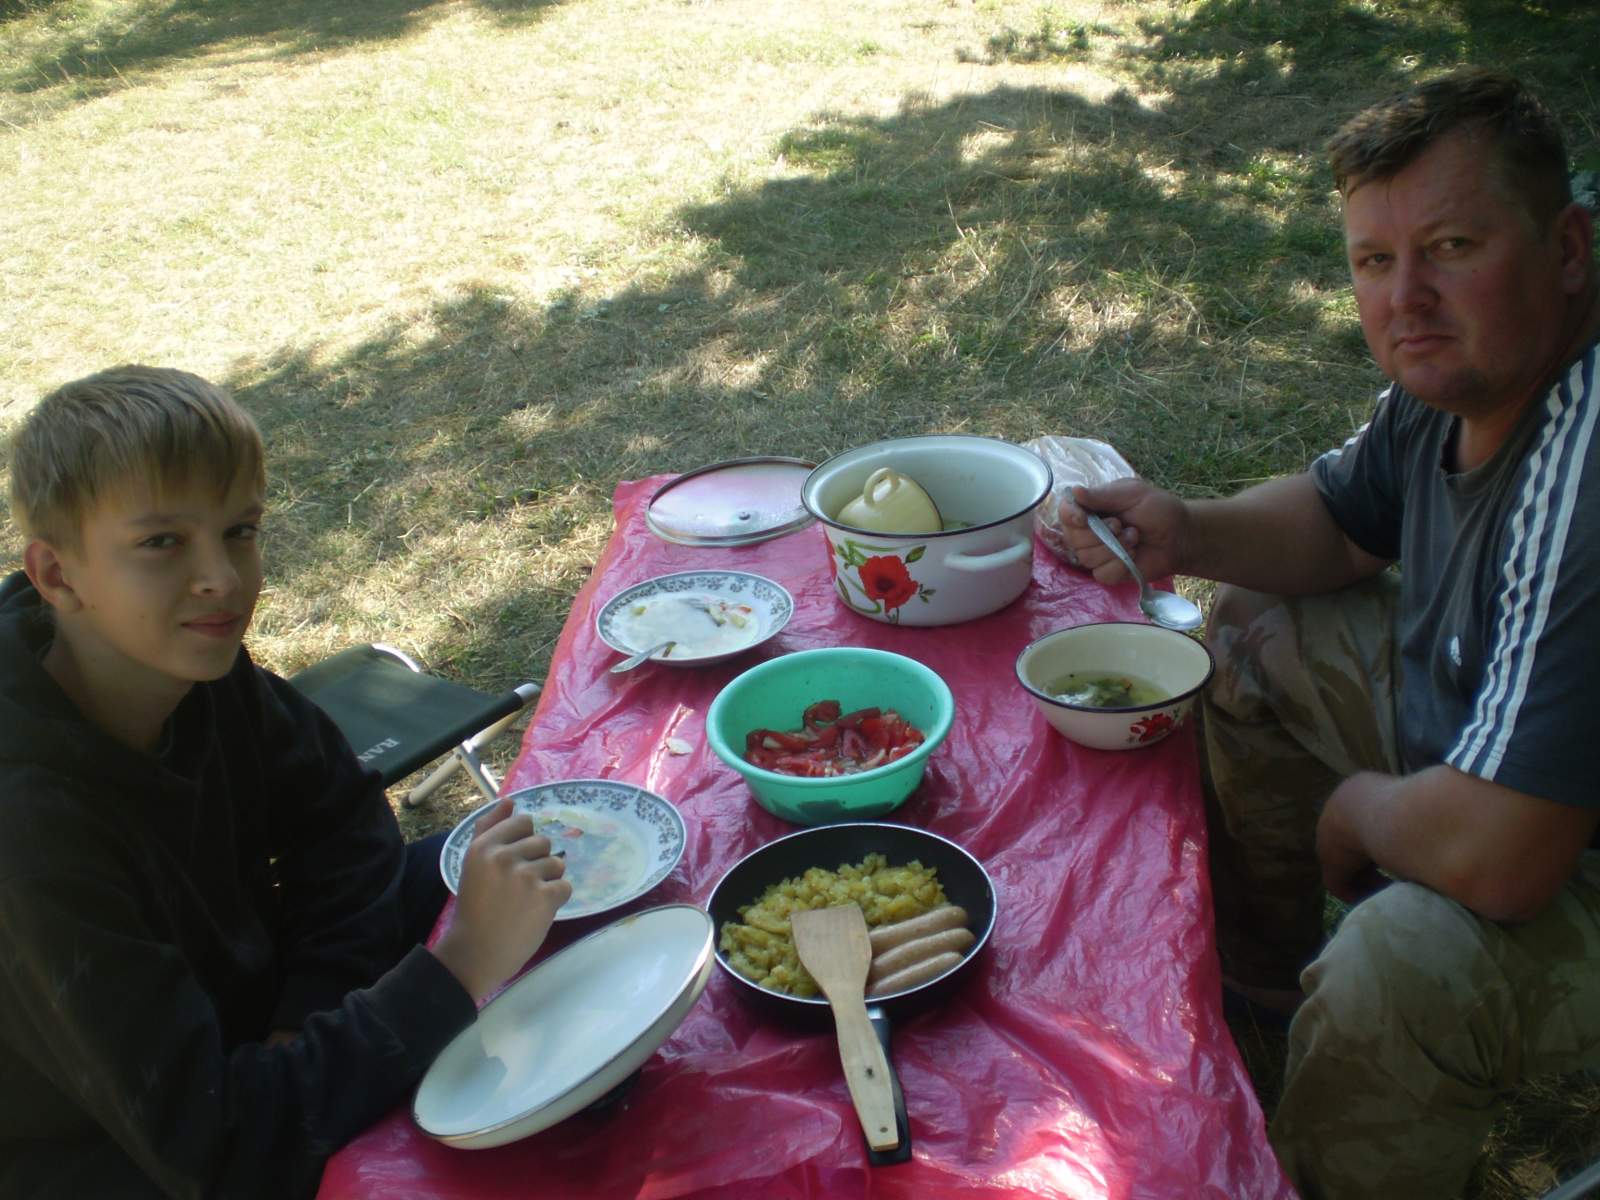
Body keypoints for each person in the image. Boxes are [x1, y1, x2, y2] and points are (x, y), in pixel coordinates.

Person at [1057, 69, 1600, 1199]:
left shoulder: (1584, 459)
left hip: (1555, 848)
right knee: (1255, 620)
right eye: (1373, 261)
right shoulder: (1467, 367)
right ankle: (1262, 993)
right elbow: (1342, 521)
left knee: (1397, 965)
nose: (1407, 298)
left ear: (1567, 249)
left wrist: (1356, 811)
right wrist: (1185, 529)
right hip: (1503, 765)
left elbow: (1503, 857)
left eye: (1451, 247)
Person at [0, 366, 573, 1198]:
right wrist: (460, 966)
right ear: (57, 575)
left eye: (240, 530)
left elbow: (344, 826)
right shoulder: (29, 828)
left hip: (255, 1018)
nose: (222, 578)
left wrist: (305, 1015)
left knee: (539, 861)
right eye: (161, 543)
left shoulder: (190, 662)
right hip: (117, 1154)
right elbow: (214, 1149)